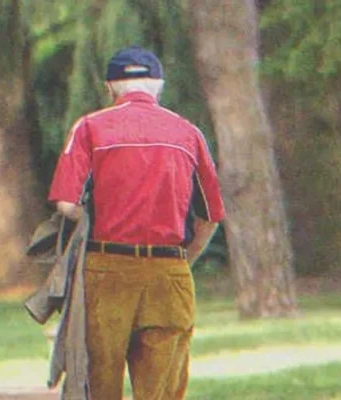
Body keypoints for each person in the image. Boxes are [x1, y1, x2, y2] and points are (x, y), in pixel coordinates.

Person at [47, 45, 226, 400]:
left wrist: (90, 221)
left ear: (110, 87)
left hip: (107, 270)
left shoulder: (90, 127)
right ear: (158, 86)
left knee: (100, 378)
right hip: (168, 272)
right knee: (162, 386)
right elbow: (210, 216)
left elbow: (66, 204)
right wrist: (182, 261)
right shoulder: (188, 133)